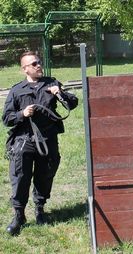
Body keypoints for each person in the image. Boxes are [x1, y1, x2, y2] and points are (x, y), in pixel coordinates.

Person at [2, 51, 78, 236]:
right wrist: (22, 114)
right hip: (24, 141)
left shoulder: (51, 83)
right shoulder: (17, 90)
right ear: (25, 69)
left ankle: (40, 209)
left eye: (39, 62)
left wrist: (59, 93)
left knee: (45, 176)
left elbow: (72, 103)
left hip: (47, 140)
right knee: (20, 178)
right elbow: (6, 118)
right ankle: (19, 215)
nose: (38, 65)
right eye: (34, 63)